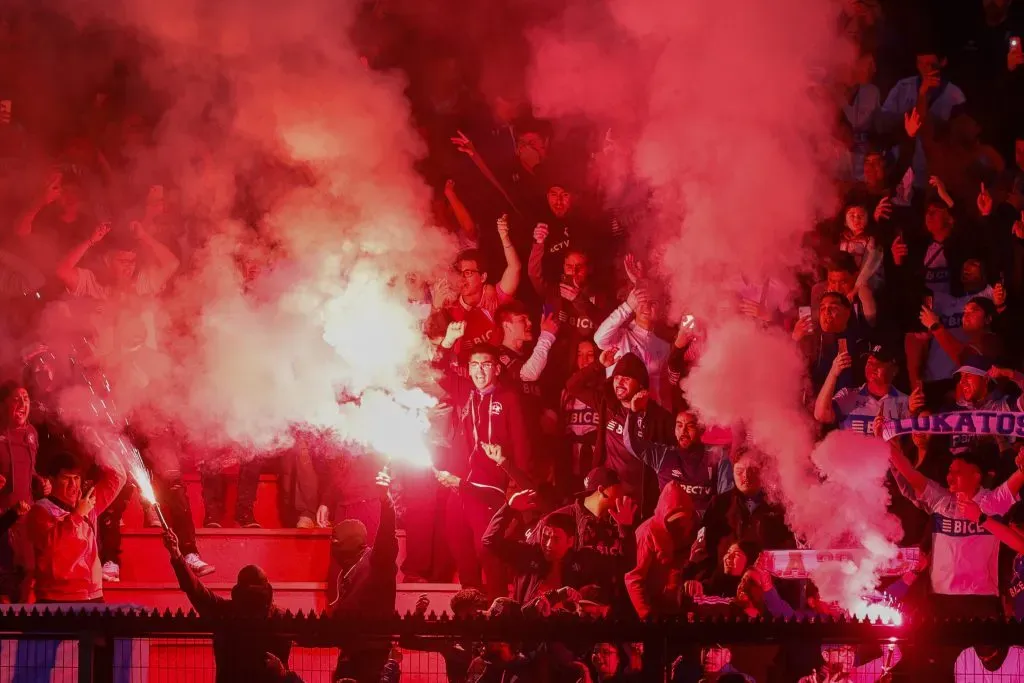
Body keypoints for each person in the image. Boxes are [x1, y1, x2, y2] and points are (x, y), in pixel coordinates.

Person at [885, 414, 1024, 617]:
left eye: (957, 471)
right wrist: (886, 440)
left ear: (976, 476)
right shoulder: (942, 501)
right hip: (940, 599)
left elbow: (1020, 475)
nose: (949, 476)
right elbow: (909, 473)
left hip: (981, 599)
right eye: (949, 471)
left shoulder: (993, 502)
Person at [161, 528, 292, 683]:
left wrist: (177, 555)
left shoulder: (225, 612)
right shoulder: (279, 617)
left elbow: (195, 590)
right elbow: (195, 589)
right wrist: (176, 555)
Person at [564, 352, 674, 514]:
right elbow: (573, 386)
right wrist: (599, 366)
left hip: (639, 502)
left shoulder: (659, 418)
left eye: (627, 379)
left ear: (641, 385)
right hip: (606, 496)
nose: (619, 383)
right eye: (617, 377)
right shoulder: (607, 405)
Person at [482, 489, 637, 604]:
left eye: (556, 539)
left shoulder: (584, 559)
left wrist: (625, 529)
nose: (548, 544)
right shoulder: (528, 554)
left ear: (570, 541)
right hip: (528, 632)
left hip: (566, 635)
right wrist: (509, 509)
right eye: (545, 536)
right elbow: (490, 541)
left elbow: (624, 563)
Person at [328, 468, 398, 683]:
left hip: (373, 659)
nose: (332, 545)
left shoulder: (377, 562)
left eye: (336, 541)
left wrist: (386, 501)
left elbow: (386, 534)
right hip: (350, 653)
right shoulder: (344, 572)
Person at [26, 450, 125, 602]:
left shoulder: (87, 503)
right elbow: (51, 547)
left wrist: (99, 444)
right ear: (51, 480)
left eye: (77, 478)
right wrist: (77, 516)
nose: (73, 484)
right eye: (66, 478)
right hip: (58, 598)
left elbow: (117, 477)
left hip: (93, 596)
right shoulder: (41, 510)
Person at [426, 218, 521, 358]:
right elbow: (434, 345)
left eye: (468, 273)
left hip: (496, 369)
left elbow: (515, 268)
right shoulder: (450, 307)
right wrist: (436, 308)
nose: (462, 278)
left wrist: (505, 238)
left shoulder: (495, 298)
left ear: (483, 277)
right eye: (460, 273)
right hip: (465, 374)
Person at [624, 406, 731, 516]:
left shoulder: (718, 456)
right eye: (679, 425)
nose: (683, 431)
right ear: (674, 430)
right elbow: (631, 444)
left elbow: (725, 497)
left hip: (705, 525)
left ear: (701, 429)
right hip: (669, 525)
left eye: (690, 426)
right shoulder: (663, 455)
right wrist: (633, 412)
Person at [700, 454, 795, 575]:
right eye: (739, 470)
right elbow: (703, 549)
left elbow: (789, 549)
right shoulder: (719, 504)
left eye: (752, 470)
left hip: (766, 583)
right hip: (725, 583)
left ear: (763, 472)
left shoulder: (779, 505)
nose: (746, 476)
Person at [0, 381, 45, 600]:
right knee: (4, 580)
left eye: (26, 399)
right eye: (16, 399)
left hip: (25, 517)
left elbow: (30, 468)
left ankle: (23, 632)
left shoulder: (32, 434)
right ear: (5, 404)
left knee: (27, 574)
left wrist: (41, 481)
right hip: (2, 518)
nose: (22, 403)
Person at [593, 281, 672, 407]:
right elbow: (599, 339)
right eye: (642, 302)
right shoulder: (620, 336)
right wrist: (627, 306)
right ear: (635, 306)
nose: (646, 307)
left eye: (653, 303)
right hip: (619, 412)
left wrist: (665, 419)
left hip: (649, 417)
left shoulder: (664, 347)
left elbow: (664, 391)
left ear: (661, 310)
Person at [625, 481, 696, 619]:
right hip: (651, 610)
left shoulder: (688, 530)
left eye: (684, 518)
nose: (680, 524)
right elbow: (634, 577)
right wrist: (646, 615)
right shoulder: (647, 533)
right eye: (675, 520)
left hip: (674, 609)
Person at [814, 344, 911, 434]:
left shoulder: (905, 402)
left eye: (879, 363)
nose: (873, 367)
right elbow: (821, 415)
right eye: (869, 362)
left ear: (894, 370)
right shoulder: (848, 395)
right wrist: (833, 373)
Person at [530, 467, 628, 554]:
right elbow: (530, 557)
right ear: (601, 491)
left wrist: (626, 530)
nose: (623, 495)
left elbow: (627, 565)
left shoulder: (617, 522)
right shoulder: (554, 521)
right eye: (618, 489)